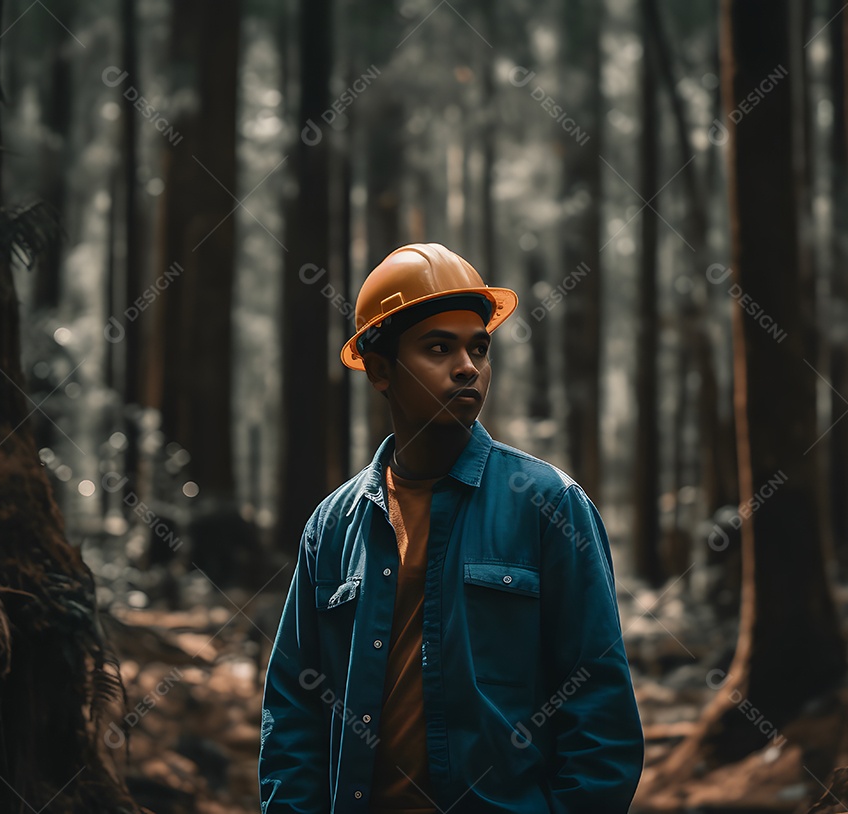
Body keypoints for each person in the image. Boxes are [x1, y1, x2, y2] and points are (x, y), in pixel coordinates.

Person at [258, 243, 644, 813]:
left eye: (479, 347)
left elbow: (601, 716)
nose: (468, 366)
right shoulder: (332, 527)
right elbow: (293, 713)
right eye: (439, 347)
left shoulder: (549, 505)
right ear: (381, 368)